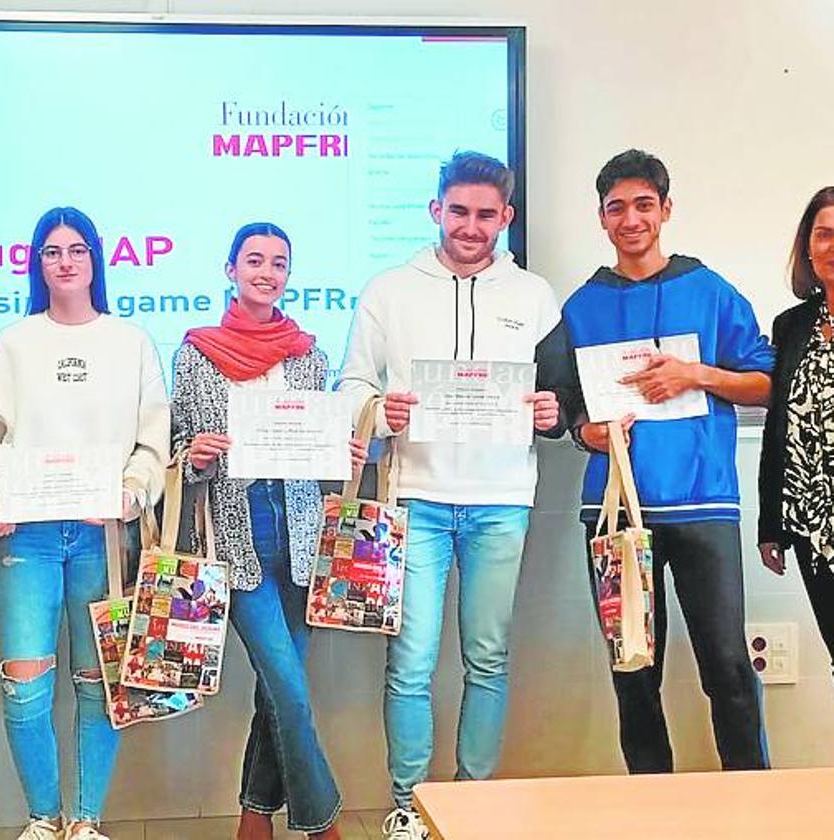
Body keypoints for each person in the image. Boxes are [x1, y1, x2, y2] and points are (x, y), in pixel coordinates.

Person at [337, 151, 571, 840]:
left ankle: (475, 804)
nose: (471, 227)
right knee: (410, 661)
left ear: (507, 218)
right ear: (437, 209)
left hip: (502, 498)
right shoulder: (389, 290)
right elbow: (352, 387)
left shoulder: (533, 295)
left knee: (488, 656)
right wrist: (383, 414)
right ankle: (409, 803)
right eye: (459, 211)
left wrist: (549, 414)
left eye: (486, 214)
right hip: (416, 499)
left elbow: (554, 399)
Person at [562, 148, 773, 774]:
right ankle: (651, 804)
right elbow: (566, 407)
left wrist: (697, 375)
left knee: (729, 666)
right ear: (601, 218)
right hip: (616, 514)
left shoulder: (710, 291)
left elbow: (766, 382)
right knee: (633, 673)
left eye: (644, 204)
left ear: (666, 209)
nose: (631, 218)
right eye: (616, 207)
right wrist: (586, 432)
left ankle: (753, 803)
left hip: (704, 503)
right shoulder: (579, 307)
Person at [0, 206, 169, 840]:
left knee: (96, 686)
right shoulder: (16, 342)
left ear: (96, 259)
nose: (65, 261)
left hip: (105, 541)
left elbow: (151, 443)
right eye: (52, 251)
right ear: (38, 263)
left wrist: (132, 495)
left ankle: (85, 822)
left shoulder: (129, 341)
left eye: (76, 249)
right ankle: (42, 820)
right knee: (25, 690)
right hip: (28, 535)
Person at [171, 222, 368, 840]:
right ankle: (321, 823)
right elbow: (177, 446)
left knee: (276, 693)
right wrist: (194, 453)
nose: (266, 272)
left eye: (278, 263)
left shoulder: (309, 354)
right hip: (235, 537)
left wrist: (346, 451)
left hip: (301, 537)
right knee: (289, 689)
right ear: (230, 269)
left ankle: (253, 817)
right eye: (253, 260)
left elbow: (317, 448)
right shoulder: (196, 352)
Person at [758, 186, 834, 673]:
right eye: (824, 235)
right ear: (807, 245)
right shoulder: (791, 326)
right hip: (810, 521)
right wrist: (771, 526)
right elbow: (778, 426)